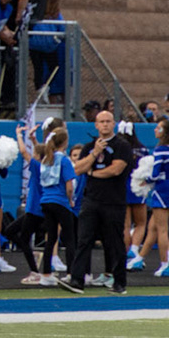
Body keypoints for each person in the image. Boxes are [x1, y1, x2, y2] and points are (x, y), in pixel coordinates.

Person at [62, 108, 135, 295]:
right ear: (96, 125)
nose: (104, 124)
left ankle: (119, 282)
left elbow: (116, 169)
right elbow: (77, 169)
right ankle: (77, 280)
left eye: (108, 121)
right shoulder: (89, 147)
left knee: (114, 242)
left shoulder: (122, 146)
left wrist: (93, 173)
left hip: (114, 201)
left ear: (114, 124)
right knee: (84, 239)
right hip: (91, 200)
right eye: (101, 122)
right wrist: (94, 154)